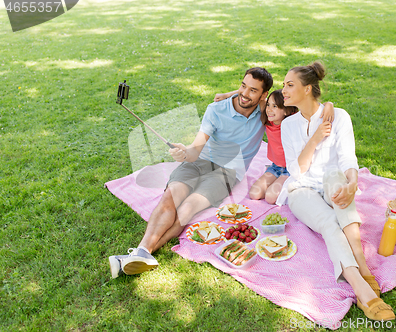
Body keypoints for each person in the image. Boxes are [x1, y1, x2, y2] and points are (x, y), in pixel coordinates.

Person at [108, 67, 273, 278]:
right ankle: (143, 251)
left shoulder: (266, 112)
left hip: (227, 173)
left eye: (252, 90)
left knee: (187, 208)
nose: (244, 93)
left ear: (263, 95)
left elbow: (293, 99)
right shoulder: (216, 109)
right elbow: (196, 149)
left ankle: (138, 255)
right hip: (200, 161)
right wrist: (185, 153)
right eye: (242, 86)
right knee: (171, 195)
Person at [280, 61, 395, 321]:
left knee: (335, 176)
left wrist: (352, 183)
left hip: (333, 185)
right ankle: (361, 287)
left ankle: (361, 262)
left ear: (308, 89)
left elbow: (347, 161)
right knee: (330, 223)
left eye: (289, 85)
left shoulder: (339, 116)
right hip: (302, 190)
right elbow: (296, 172)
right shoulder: (287, 126)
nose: (283, 90)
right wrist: (316, 138)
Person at [214, 90, 335, 204]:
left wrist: (328, 104)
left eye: (275, 106)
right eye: (268, 105)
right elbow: (255, 94)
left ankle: (300, 191)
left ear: (287, 110)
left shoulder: (293, 120)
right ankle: (283, 185)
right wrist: (227, 95)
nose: (269, 110)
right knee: (254, 194)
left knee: (271, 197)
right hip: (276, 167)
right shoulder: (268, 120)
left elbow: (314, 108)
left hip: (291, 169)